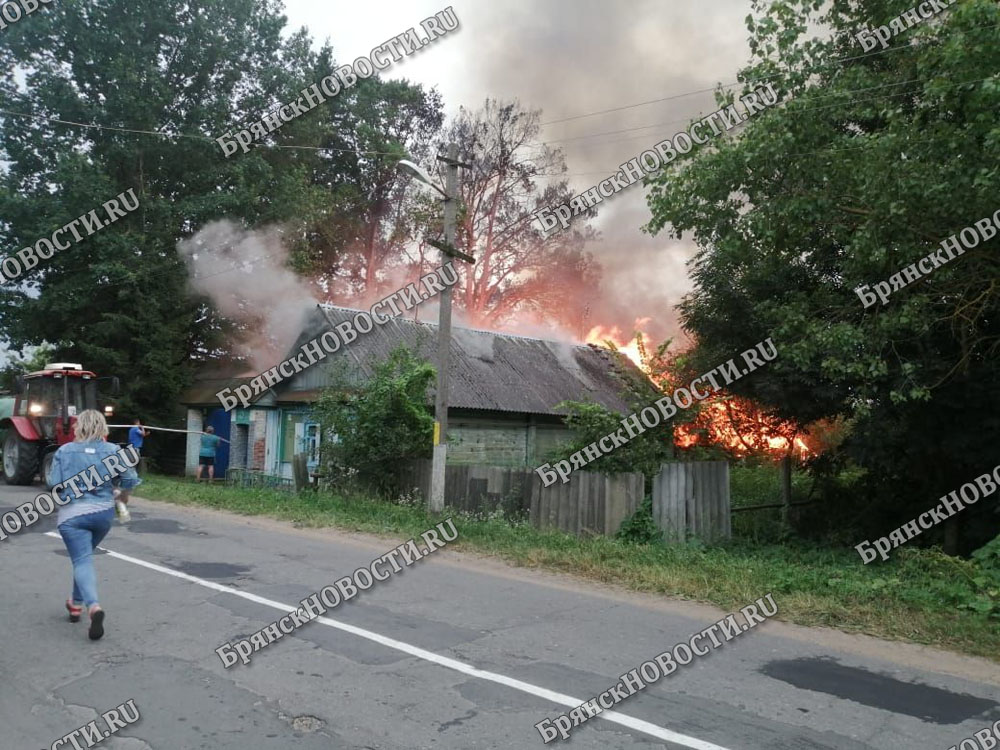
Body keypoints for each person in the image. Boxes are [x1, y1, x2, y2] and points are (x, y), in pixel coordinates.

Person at [51, 409, 141, 641]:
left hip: (73, 515)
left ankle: (94, 607)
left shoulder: (64, 450)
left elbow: (54, 483)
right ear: (103, 427)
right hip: (103, 513)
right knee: (84, 559)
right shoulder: (113, 451)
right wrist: (120, 491)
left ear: (78, 426)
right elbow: (130, 480)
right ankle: (75, 604)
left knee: (82, 560)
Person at [120, 419, 149, 521]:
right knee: (134, 462)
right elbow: (143, 434)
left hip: (131, 447)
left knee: (132, 462)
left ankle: (133, 475)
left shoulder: (131, 429)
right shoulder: (136, 428)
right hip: (135, 448)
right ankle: (133, 477)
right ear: (137, 423)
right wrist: (143, 428)